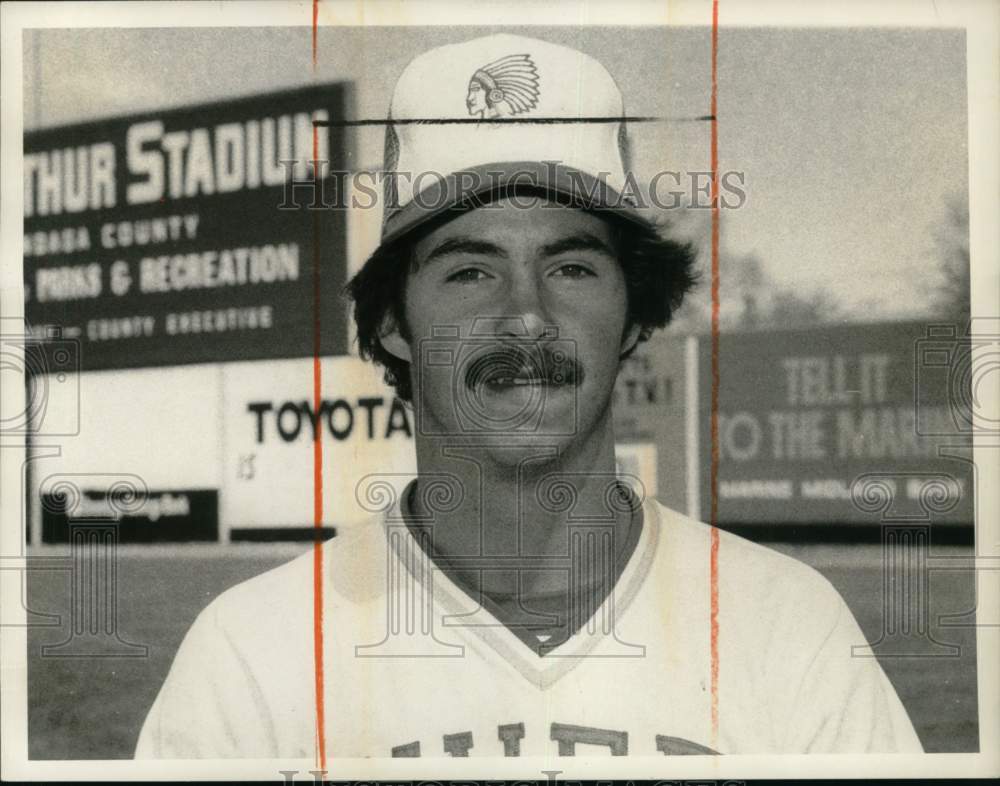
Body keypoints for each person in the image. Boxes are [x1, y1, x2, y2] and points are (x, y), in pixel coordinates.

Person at [135, 32, 922, 759]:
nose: (527, 317)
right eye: (469, 270)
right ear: (392, 322)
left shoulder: (786, 627)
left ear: (632, 318)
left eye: (572, 268)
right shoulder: (251, 656)